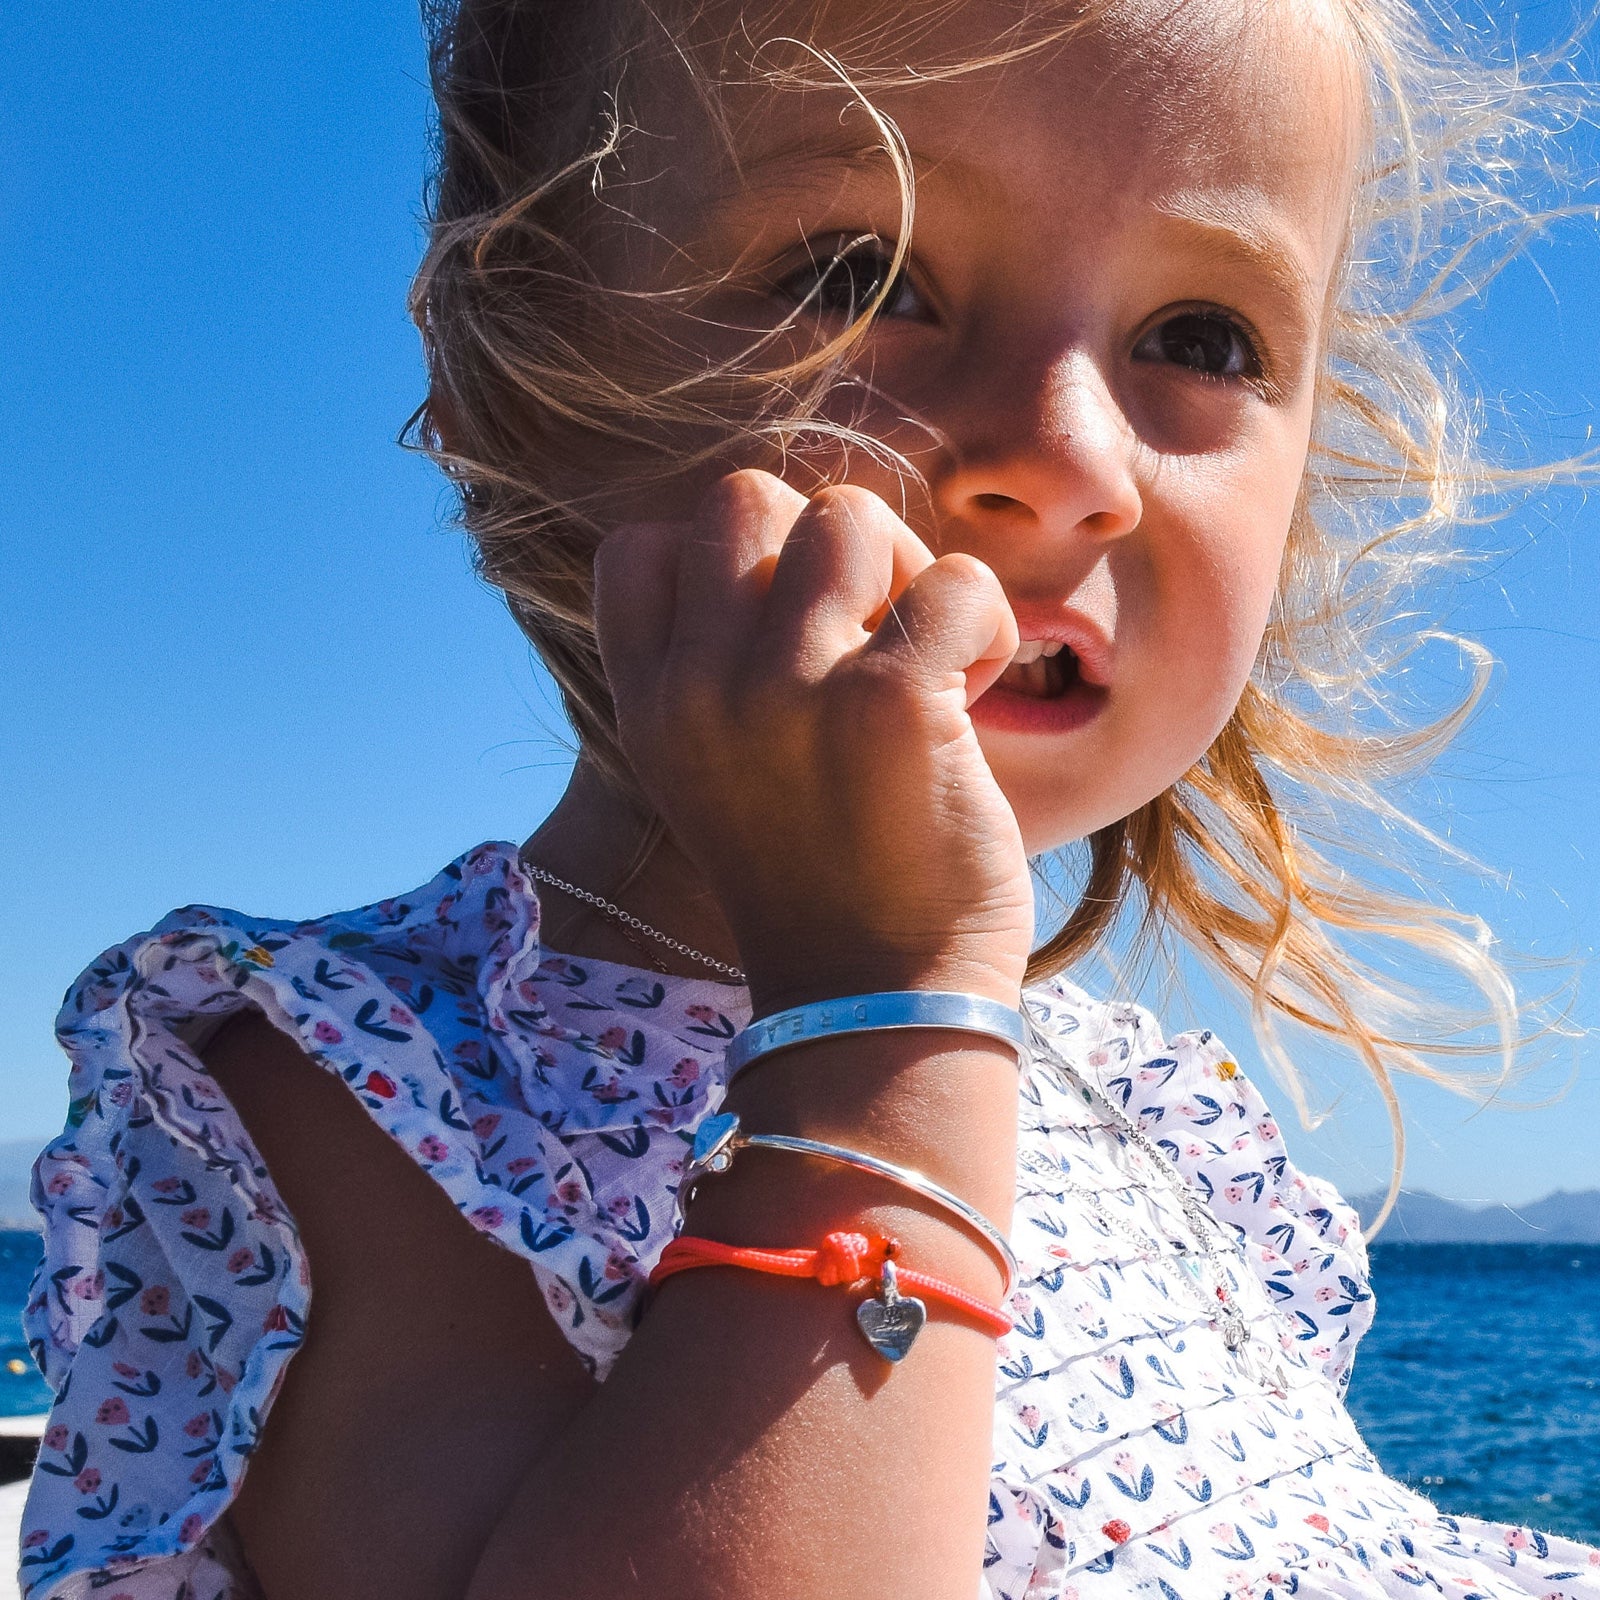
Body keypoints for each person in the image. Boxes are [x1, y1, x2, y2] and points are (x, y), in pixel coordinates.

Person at [17, 0, 1599, 1596]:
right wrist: (881, 1016)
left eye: (1200, 339)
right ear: (513, 371)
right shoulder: (363, 1088)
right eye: (864, 278)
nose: (1065, 457)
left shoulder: (1167, 1139)